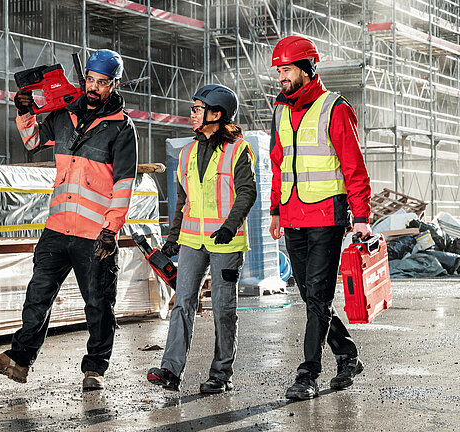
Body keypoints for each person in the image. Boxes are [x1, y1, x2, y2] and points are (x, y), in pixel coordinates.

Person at [0, 49, 138, 391]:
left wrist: (111, 230)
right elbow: (33, 141)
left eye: (102, 83)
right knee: (37, 297)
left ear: (114, 84)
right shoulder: (65, 115)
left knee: (98, 304)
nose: (93, 87)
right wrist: (24, 113)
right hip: (57, 227)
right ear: (84, 79)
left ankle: (95, 369)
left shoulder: (121, 128)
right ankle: (19, 361)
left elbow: (125, 184)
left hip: (95, 233)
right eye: (90, 80)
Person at [268, 35, 372, 400]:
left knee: (317, 297)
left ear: (307, 69)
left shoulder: (334, 107)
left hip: (327, 216)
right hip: (292, 214)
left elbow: (353, 165)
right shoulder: (280, 110)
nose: (282, 77)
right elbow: (278, 163)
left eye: (287, 70)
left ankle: (307, 374)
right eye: (278, 71)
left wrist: (361, 216)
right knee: (311, 296)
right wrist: (276, 210)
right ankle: (347, 355)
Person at [146, 84, 256, 393]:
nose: (192, 114)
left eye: (198, 109)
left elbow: (247, 192)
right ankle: (171, 370)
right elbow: (183, 200)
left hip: (226, 243)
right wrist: (173, 238)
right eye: (193, 109)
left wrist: (229, 226)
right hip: (193, 241)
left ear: (216, 114)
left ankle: (220, 375)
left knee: (223, 309)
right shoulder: (186, 153)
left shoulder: (238, 150)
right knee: (182, 302)